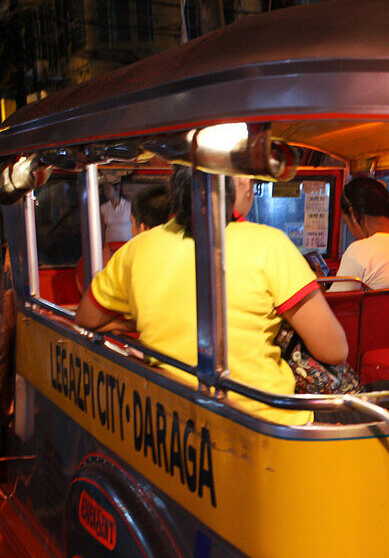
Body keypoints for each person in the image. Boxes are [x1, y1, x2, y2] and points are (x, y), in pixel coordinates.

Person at [74, 167, 348, 426]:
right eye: (246, 177)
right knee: (382, 401)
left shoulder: (136, 249)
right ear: (232, 185)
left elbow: (87, 318)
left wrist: (133, 325)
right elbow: (334, 350)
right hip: (263, 422)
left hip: (170, 418)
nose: (250, 186)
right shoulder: (270, 244)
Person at [99, 179, 133, 244]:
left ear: (117, 188)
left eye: (108, 189)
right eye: (104, 189)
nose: (106, 192)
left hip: (127, 243)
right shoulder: (103, 207)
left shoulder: (129, 206)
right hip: (110, 244)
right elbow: (102, 228)